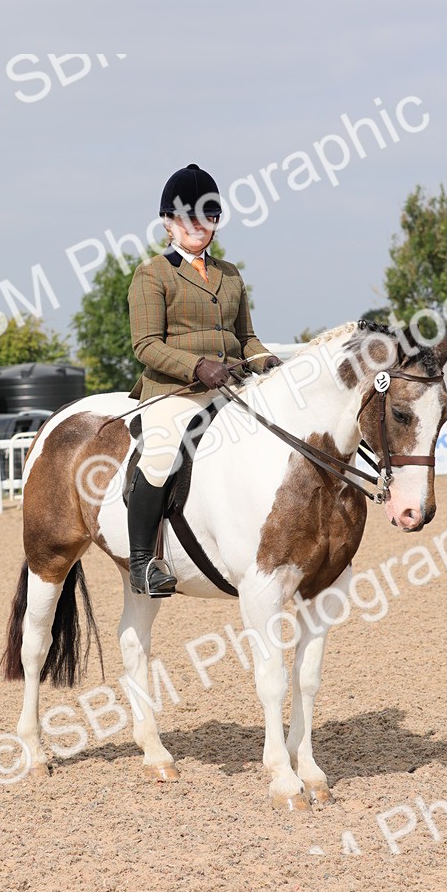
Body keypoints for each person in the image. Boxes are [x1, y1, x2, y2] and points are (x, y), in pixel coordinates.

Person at [125, 163, 281, 597]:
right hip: (176, 391)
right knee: (160, 456)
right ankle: (142, 562)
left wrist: (268, 362)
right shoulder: (152, 274)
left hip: (232, 386)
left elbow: (246, 338)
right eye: (189, 216)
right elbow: (146, 345)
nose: (199, 225)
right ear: (169, 222)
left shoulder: (230, 274)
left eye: (208, 216)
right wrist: (197, 367)